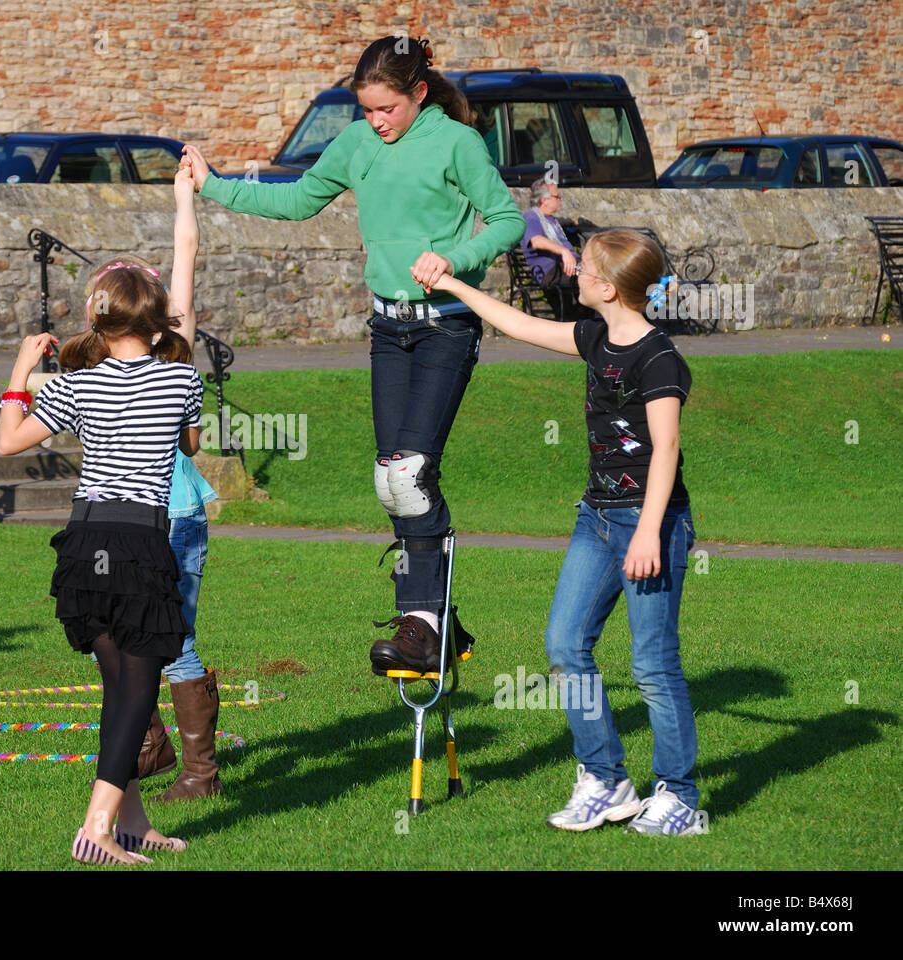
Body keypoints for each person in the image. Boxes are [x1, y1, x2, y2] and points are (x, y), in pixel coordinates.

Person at [182, 36, 525, 676]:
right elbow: (296, 200)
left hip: (447, 326)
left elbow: (507, 220)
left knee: (411, 473)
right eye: (366, 110)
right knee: (390, 480)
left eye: (386, 109)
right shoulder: (358, 144)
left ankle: (421, 621)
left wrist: (457, 258)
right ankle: (437, 622)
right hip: (387, 330)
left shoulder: (456, 142)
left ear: (419, 93)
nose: (376, 122)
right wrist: (214, 186)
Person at [424, 227, 705, 835]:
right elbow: (521, 326)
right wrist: (452, 284)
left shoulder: (659, 357)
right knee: (564, 644)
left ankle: (680, 797)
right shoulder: (596, 337)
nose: (572, 271)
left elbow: (666, 449)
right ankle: (605, 780)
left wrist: (650, 533)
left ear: (606, 287)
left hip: (648, 522)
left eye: (583, 268)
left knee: (654, 665)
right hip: (596, 518)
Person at [0, 170, 204, 866]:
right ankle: (95, 827)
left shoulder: (77, 385)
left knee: (122, 694)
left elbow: (8, 442)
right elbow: (189, 442)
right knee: (139, 689)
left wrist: (20, 372)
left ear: (99, 320)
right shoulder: (182, 378)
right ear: (158, 318)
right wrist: (184, 204)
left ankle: (134, 822)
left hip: (85, 542)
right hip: (141, 542)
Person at [78, 247, 224, 804]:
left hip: (173, 516)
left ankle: (199, 773)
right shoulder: (103, 367)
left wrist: (188, 196)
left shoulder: (172, 363)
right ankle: (148, 740)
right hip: (118, 526)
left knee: (173, 639)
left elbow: (185, 255)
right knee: (107, 638)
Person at [520, 177, 586, 321]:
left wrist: (574, 222)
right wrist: (564, 251)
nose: (560, 199)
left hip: (566, 267)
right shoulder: (531, 216)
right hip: (552, 272)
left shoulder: (550, 219)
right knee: (595, 278)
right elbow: (536, 241)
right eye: (557, 196)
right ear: (544, 200)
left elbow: (563, 222)